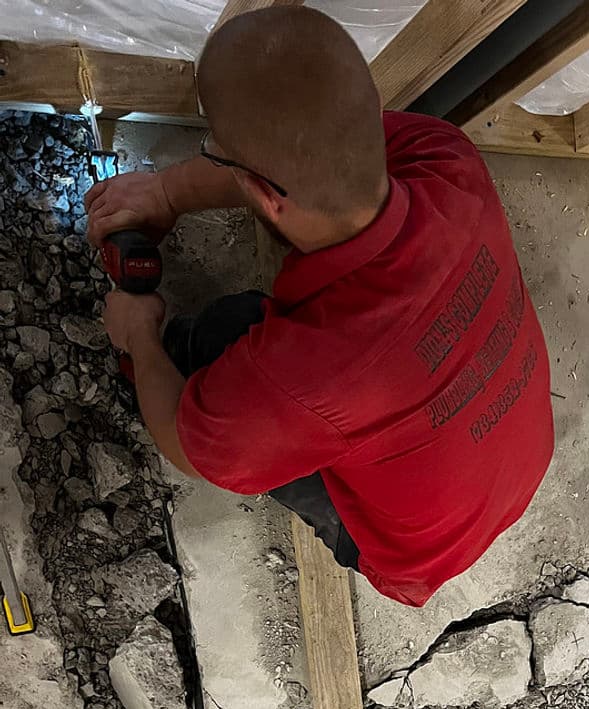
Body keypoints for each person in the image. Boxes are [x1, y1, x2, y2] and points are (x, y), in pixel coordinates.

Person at [85, 8, 554, 607]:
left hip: (415, 555)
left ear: (258, 192)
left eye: (217, 155)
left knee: (218, 338)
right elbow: (289, 165)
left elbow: (187, 445)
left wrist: (140, 337)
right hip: (519, 459)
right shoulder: (447, 157)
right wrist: (164, 191)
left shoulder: (305, 377)